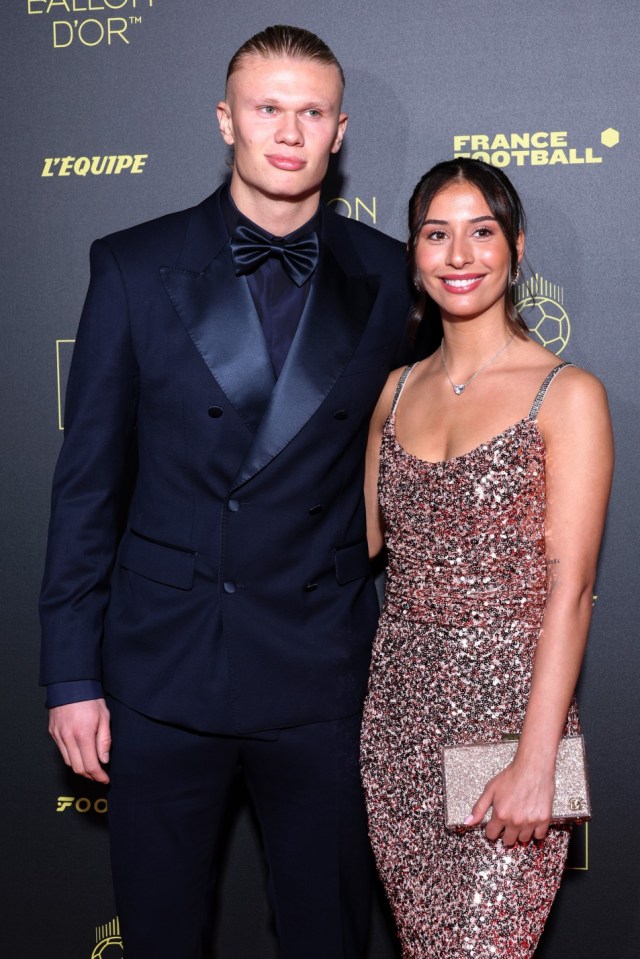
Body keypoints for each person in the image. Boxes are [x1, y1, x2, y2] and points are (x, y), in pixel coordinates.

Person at [39, 25, 411, 959]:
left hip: (322, 670)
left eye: (311, 111)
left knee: (328, 935)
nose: (289, 131)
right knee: (161, 936)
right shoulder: (131, 265)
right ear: (226, 121)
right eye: (267, 108)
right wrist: (73, 673)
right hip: (162, 671)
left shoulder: (394, 273)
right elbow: (87, 484)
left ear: (339, 131)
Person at [360, 157, 613, 957]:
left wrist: (536, 762)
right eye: (438, 234)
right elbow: (354, 541)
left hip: (509, 724)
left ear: (516, 248)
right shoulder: (392, 390)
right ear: (414, 253)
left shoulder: (566, 393)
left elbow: (570, 593)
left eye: (482, 232)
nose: (459, 255)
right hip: (397, 723)